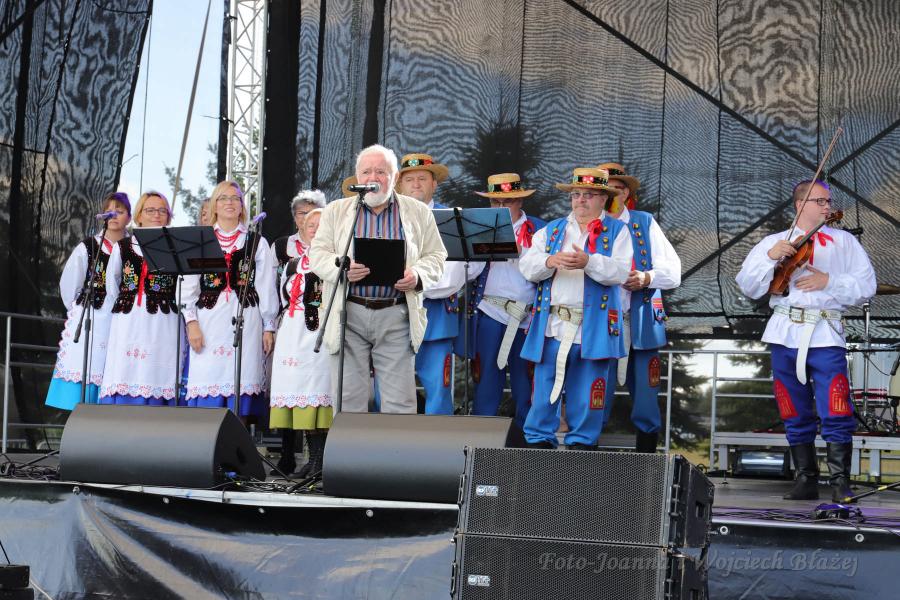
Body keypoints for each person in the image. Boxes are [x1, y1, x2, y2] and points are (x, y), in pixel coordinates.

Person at [736, 179, 875, 501]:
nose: (827, 206)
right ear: (800, 204)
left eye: (828, 201)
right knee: (792, 406)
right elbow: (749, 286)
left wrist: (830, 280)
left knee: (836, 406)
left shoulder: (844, 241)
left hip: (825, 331)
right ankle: (806, 479)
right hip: (785, 331)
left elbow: (867, 285)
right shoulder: (774, 241)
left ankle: (839, 481)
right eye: (820, 201)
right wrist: (769, 257)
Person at [309, 144, 447, 414]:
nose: (373, 177)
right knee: (348, 400)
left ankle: (395, 445)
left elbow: (436, 256)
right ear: (357, 177)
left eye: (381, 172)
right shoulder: (336, 211)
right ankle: (350, 445)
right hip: (348, 313)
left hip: (396, 315)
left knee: (400, 403)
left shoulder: (418, 212)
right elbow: (318, 254)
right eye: (366, 172)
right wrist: (341, 268)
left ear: (394, 178)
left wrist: (417, 275)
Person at [518, 167, 632, 449]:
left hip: (593, 326)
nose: (581, 200)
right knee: (543, 389)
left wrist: (589, 262)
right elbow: (527, 266)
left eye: (589, 195)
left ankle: (582, 446)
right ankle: (538, 443)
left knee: (588, 391)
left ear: (603, 199)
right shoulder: (551, 230)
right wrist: (550, 261)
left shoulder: (618, 231)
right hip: (552, 325)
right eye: (576, 194)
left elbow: (621, 272)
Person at [597, 162, 681, 453]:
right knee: (595, 391)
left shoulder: (644, 222)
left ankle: (647, 463)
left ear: (627, 193)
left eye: (618, 189)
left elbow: (673, 271)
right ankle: (585, 460)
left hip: (641, 319)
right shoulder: (587, 224)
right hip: (600, 322)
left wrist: (646, 278)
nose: (612, 195)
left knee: (646, 394)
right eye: (606, 190)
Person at [182, 181, 278, 420]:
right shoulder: (201, 241)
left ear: (242, 206)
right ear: (214, 205)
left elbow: (266, 287)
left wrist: (269, 326)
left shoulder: (257, 242)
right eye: (223, 198)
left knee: (240, 383)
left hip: (246, 318)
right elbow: (189, 287)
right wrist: (191, 323)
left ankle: (237, 440)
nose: (230, 203)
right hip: (209, 320)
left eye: (236, 198)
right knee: (208, 381)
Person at [462, 173, 545, 428]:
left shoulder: (540, 229)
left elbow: (547, 271)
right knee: (485, 377)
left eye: (507, 201)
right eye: (495, 202)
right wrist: (476, 250)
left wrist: (523, 253)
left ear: (520, 201)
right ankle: (481, 437)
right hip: (490, 310)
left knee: (526, 380)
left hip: (526, 317)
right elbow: (469, 273)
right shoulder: (481, 227)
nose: (500, 207)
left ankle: (526, 440)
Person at [46, 192, 131, 410]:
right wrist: (79, 309)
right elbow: (69, 285)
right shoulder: (88, 247)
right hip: (93, 316)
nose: (114, 216)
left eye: (120, 211)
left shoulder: (133, 249)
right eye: (109, 211)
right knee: (88, 366)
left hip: (122, 319)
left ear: (129, 218)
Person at [395, 153, 466, 414]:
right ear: (399, 185)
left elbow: (454, 276)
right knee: (389, 387)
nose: (416, 184)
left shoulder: (451, 219)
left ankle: (438, 439)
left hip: (436, 317)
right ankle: (387, 437)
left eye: (422, 179)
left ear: (434, 184)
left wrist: (412, 281)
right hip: (394, 315)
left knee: (438, 388)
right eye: (409, 179)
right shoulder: (387, 217)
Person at [99, 192, 181, 405]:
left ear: (168, 216)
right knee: (126, 370)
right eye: (150, 210)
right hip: (129, 319)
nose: (156, 215)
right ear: (139, 216)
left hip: (162, 319)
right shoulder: (123, 246)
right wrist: (128, 300)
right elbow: (112, 283)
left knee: (156, 373)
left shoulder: (176, 247)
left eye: (162, 210)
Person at [269, 208, 331, 477]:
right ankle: (313, 460)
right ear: (302, 230)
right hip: (293, 334)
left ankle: (321, 460)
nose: (315, 228)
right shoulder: (293, 265)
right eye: (310, 224)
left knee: (318, 393)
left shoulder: (336, 261)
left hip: (318, 334)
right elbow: (284, 300)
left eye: (321, 224)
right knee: (301, 395)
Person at [270, 189, 328, 277]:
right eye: (301, 213)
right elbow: (269, 281)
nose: (306, 217)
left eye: (311, 213)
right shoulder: (279, 246)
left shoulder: (330, 246)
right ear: (294, 217)